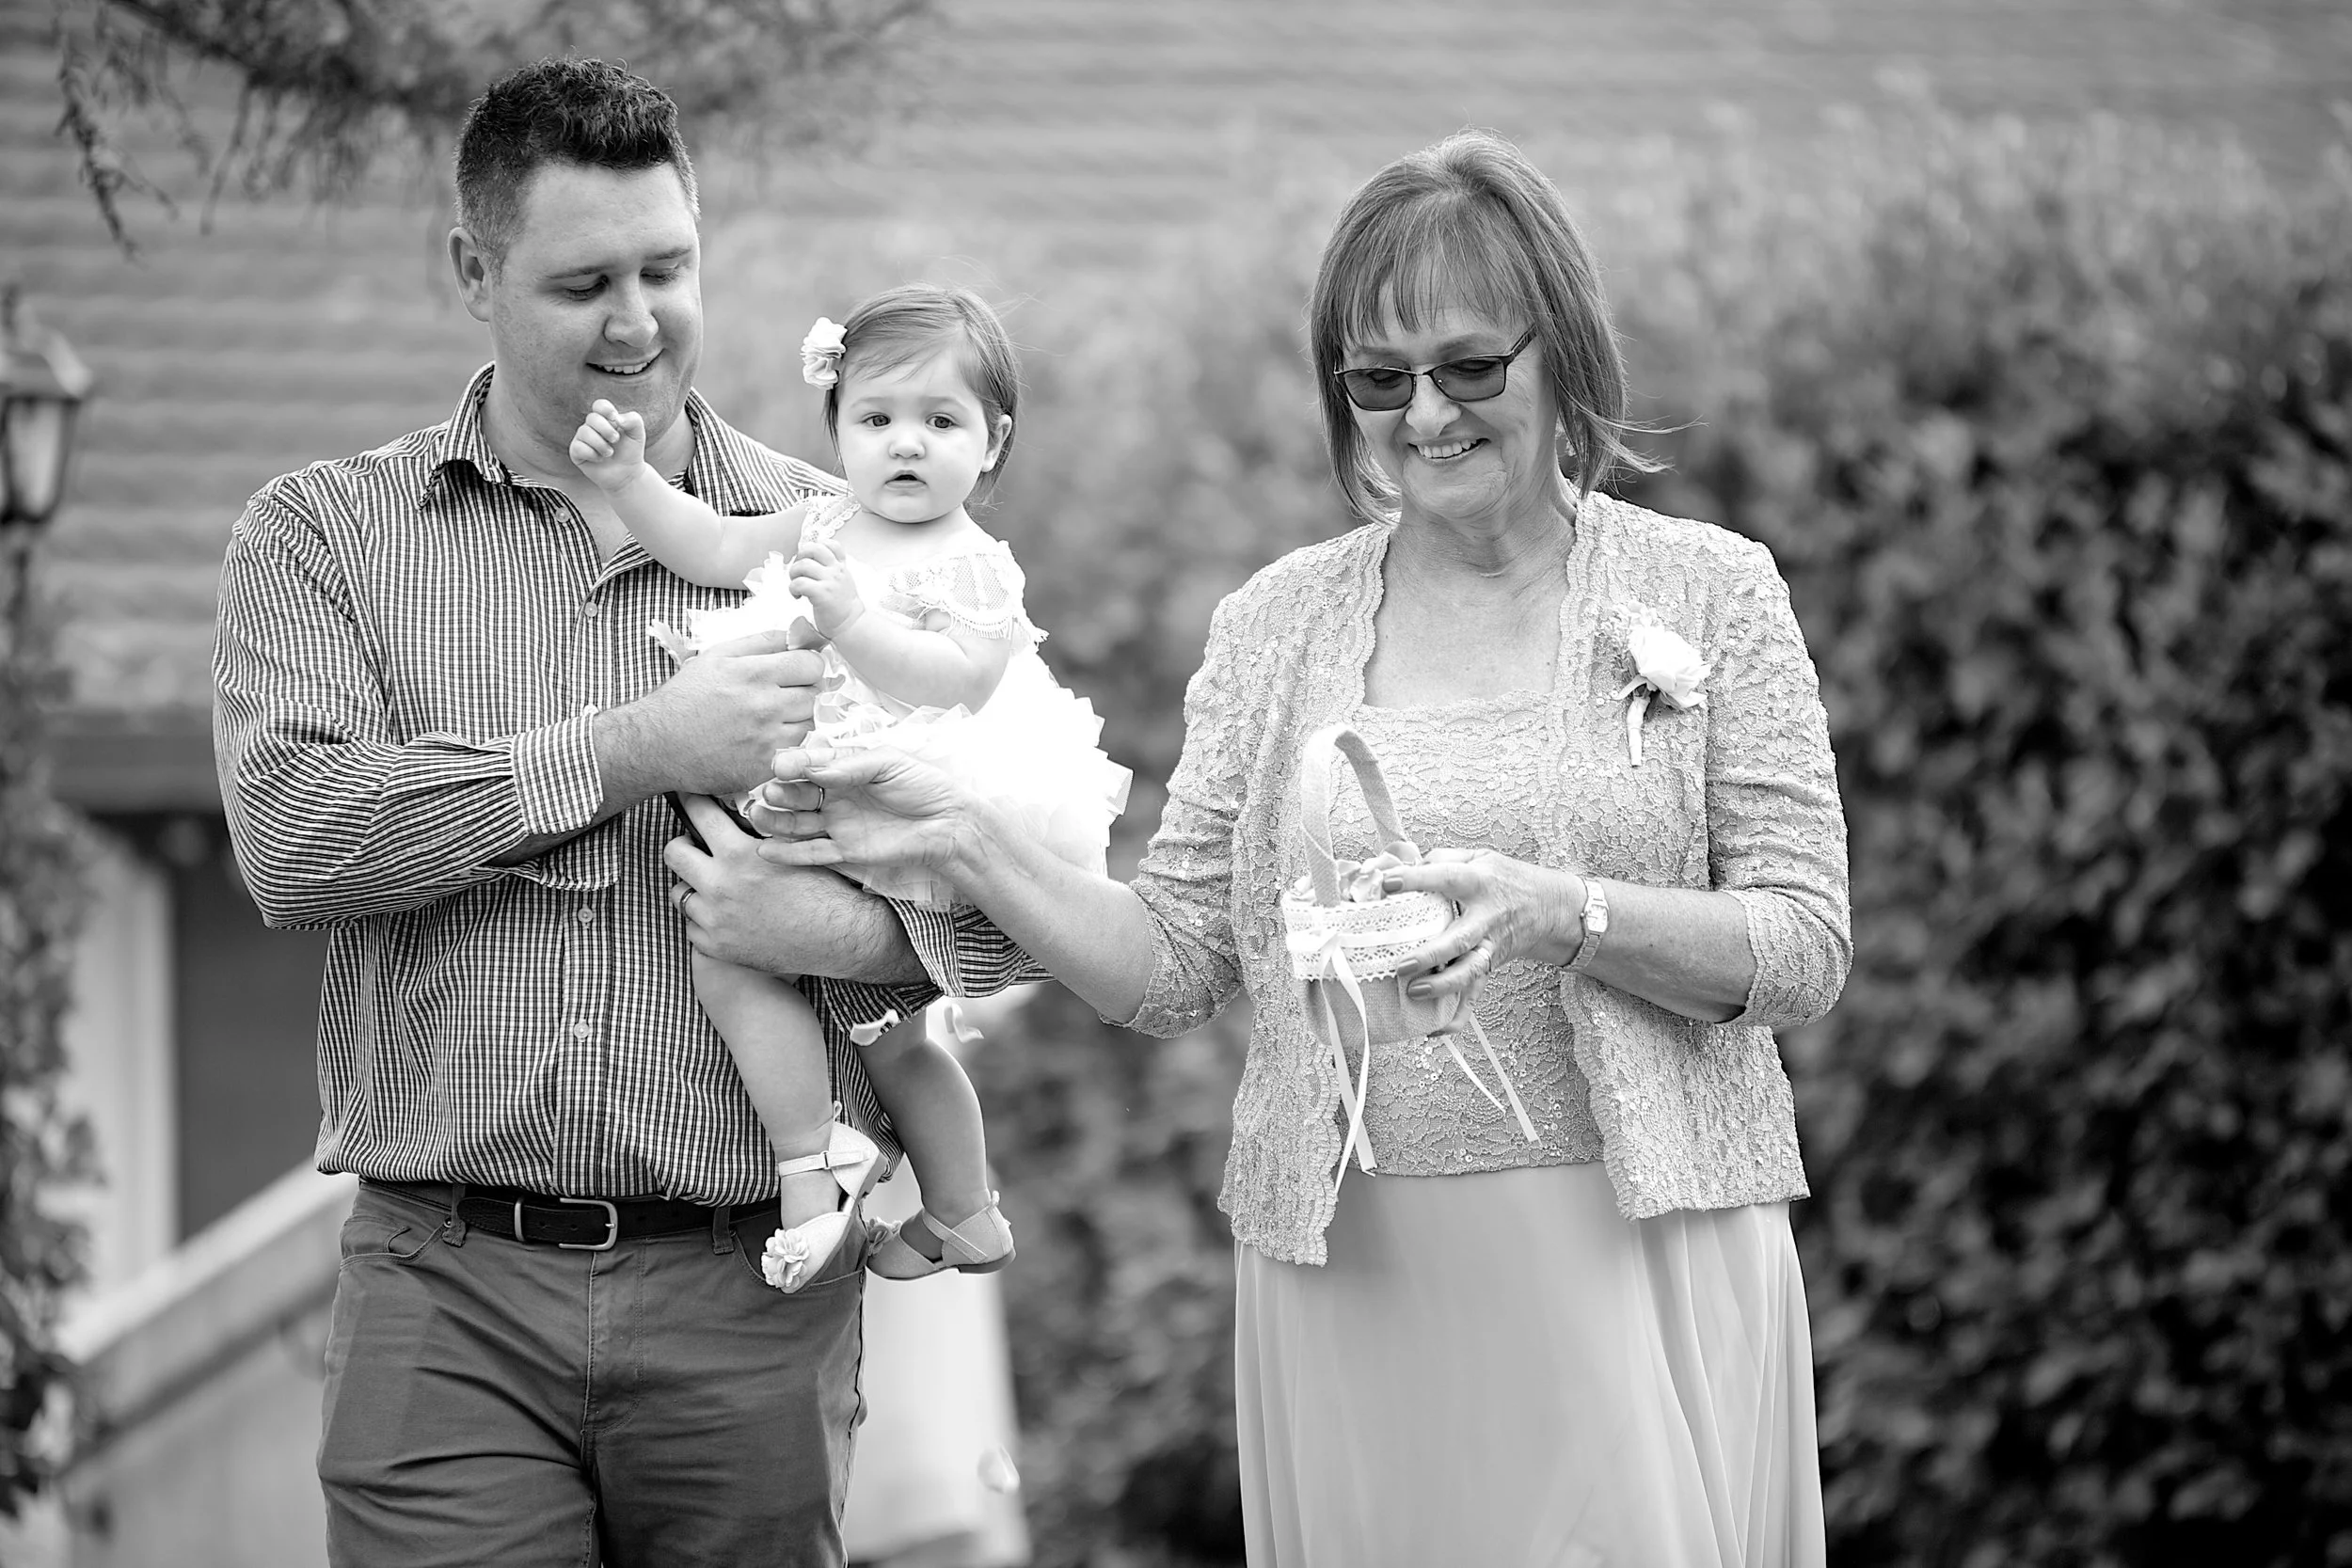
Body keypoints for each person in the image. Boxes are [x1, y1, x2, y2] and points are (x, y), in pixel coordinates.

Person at [748, 129, 1851, 1566]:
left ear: (1562, 351)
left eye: (1469, 366)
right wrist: (959, 834)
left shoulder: (1710, 590)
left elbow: (1803, 945)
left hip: (1639, 1248)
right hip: (1358, 1265)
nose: (1426, 413)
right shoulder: (1278, 622)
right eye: (1379, 380)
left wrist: (1560, 910)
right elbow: (1173, 962)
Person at [212, 58, 1038, 1568]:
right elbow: (293, 835)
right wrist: (632, 748)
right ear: (474, 272)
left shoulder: (849, 541)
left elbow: (1011, 913)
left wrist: (830, 927)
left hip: (752, 1292)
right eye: (584, 281)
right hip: (446, 1290)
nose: (638, 320)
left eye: (667, 268)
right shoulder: (324, 535)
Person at [565, 284, 1128, 1289]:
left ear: (992, 442)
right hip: (817, 786)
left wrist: (854, 623)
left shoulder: (973, 563)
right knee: (862, 1022)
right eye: (875, 420)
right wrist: (629, 481)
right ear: (838, 429)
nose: (905, 444)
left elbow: (960, 681)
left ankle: (815, 1164)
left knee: (773, 973)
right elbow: (712, 543)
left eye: (940, 422)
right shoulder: (824, 520)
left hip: (899, 799)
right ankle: (961, 1211)